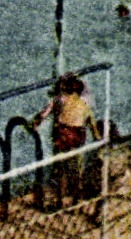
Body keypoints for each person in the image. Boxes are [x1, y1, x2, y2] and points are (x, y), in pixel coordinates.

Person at [32, 73, 100, 206]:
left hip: (62, 135)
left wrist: (34, 124)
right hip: (77, 136)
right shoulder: (84, 105)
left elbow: (43, 114)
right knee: (76, 167)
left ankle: (60, 199)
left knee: (60, 168)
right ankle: (76, 198)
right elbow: (92, 124)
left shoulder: (59, 100)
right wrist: (98, 137)